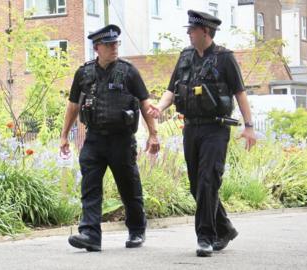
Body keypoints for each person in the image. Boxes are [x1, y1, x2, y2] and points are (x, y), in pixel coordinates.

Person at [147, 10, 257, 257]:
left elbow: (240, 93)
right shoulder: (185, 56)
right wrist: (160, 107)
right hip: (191, 128)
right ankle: (225, 228)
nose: (188, 33)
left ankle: (205, 237)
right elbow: (172, 89)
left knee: (208, 180)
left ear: (205, 31)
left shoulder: (224, 58)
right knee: (197, 186)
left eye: (192, 29)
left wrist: (249, 127)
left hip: (215, 129)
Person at [60, 24, 160, 252]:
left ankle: (136, 230)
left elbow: (145, 103)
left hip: (122, 140)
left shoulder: (129, 72)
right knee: (90, 188)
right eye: (109, 44)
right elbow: (73, 105)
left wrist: (153, 134)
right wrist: (64, 135)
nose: (114, 48)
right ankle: (90, 235)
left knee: (129, 187)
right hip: (94, 139)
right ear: (97, 48)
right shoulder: (84, 73)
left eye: (116, 44)